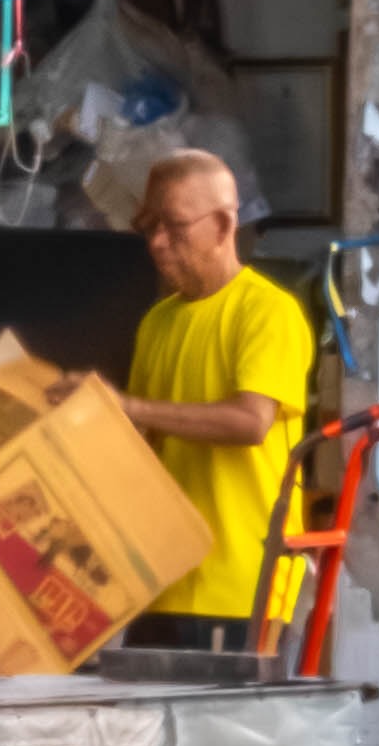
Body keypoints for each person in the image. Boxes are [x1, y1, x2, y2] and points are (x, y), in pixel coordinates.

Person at [108, 141, 319, 663]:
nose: (158, 243)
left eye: (175, 228)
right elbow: (141, 447)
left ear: (224, 227)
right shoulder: (157, 321)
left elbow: (251, 421)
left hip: (244, 584)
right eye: (149, 225)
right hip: (162, 581)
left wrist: (132, 408)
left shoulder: (268, 312)